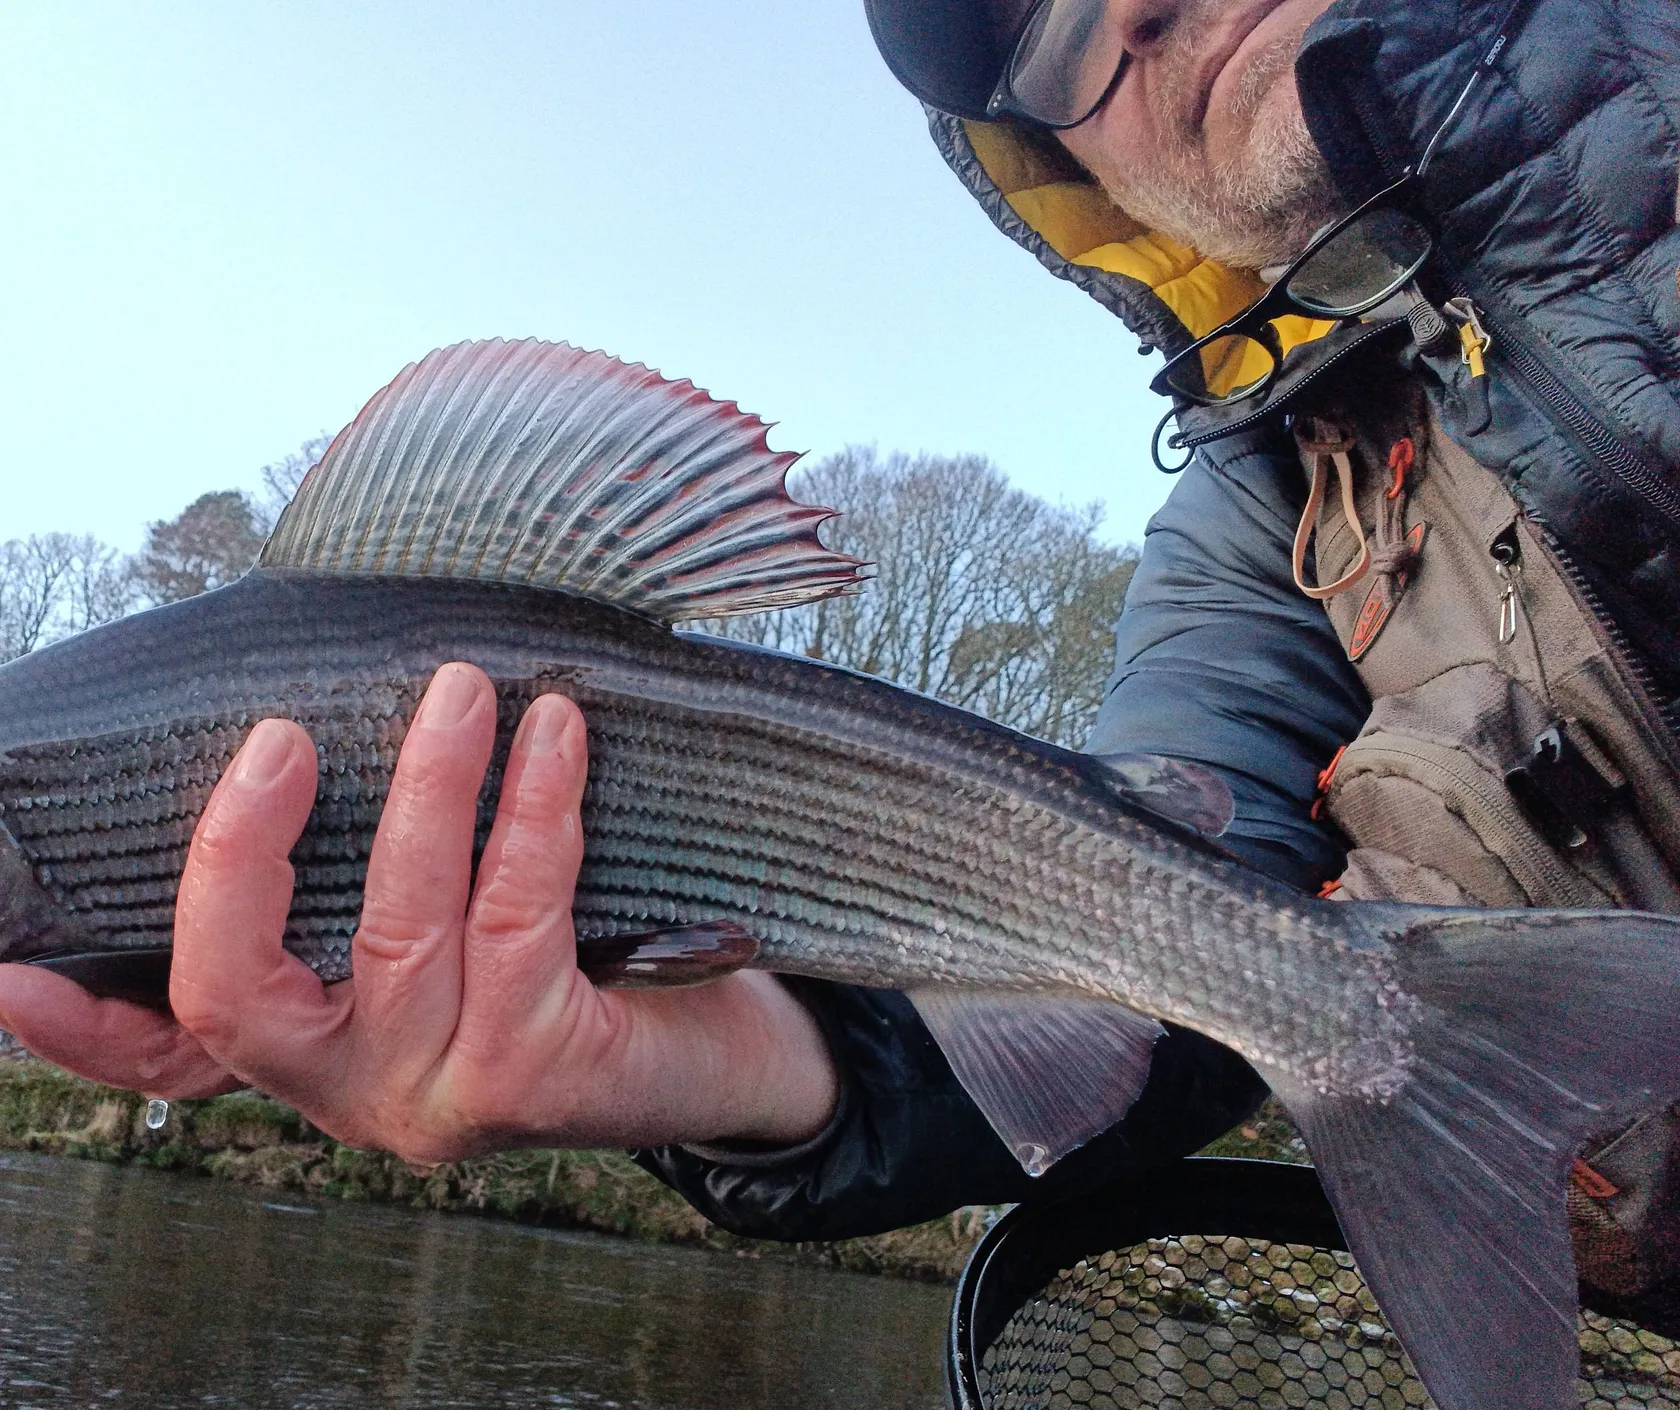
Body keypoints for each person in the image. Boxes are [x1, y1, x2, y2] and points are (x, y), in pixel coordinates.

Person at [2, 0, 1677, 1293]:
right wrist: (740, 1071)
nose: (1137, 1)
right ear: (1062, 170)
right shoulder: (1270, 521)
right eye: (1038, 27)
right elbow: (1170, 967)